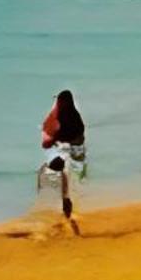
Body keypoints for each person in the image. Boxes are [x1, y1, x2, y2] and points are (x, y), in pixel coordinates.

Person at [38, 89, 87, 231]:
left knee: (63, 180)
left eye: (60, 101)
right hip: (69, 153)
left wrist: (54, 140)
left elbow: (70, 136)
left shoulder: (69, 117)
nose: (58, 103)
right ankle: (66, 212)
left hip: (70, 154)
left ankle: (65, 211)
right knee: (64, 183)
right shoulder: (69, 115)